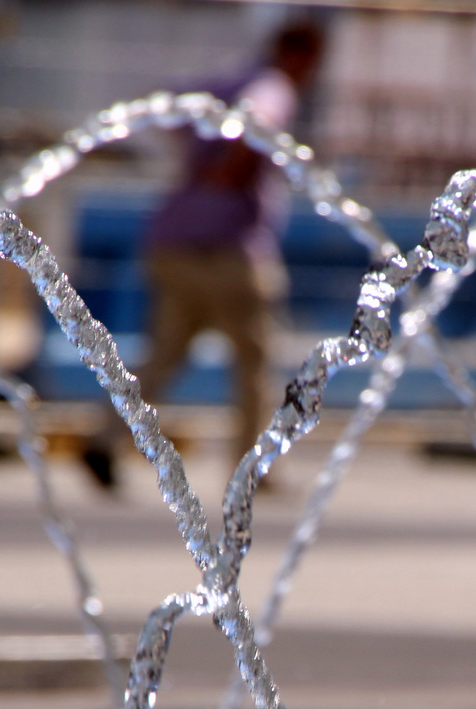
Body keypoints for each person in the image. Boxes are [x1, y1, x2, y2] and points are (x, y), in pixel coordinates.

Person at [81, 21, 324, 491]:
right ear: (304, 56)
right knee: (255, 357)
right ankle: (254, 468)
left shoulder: (223, 83)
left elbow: (164, 107)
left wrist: (195, 161)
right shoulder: (272, 86)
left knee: (164, 353)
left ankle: (104, 439)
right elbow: (259, 124)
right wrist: (227, 173)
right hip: (228, 248)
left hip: (172, 237)